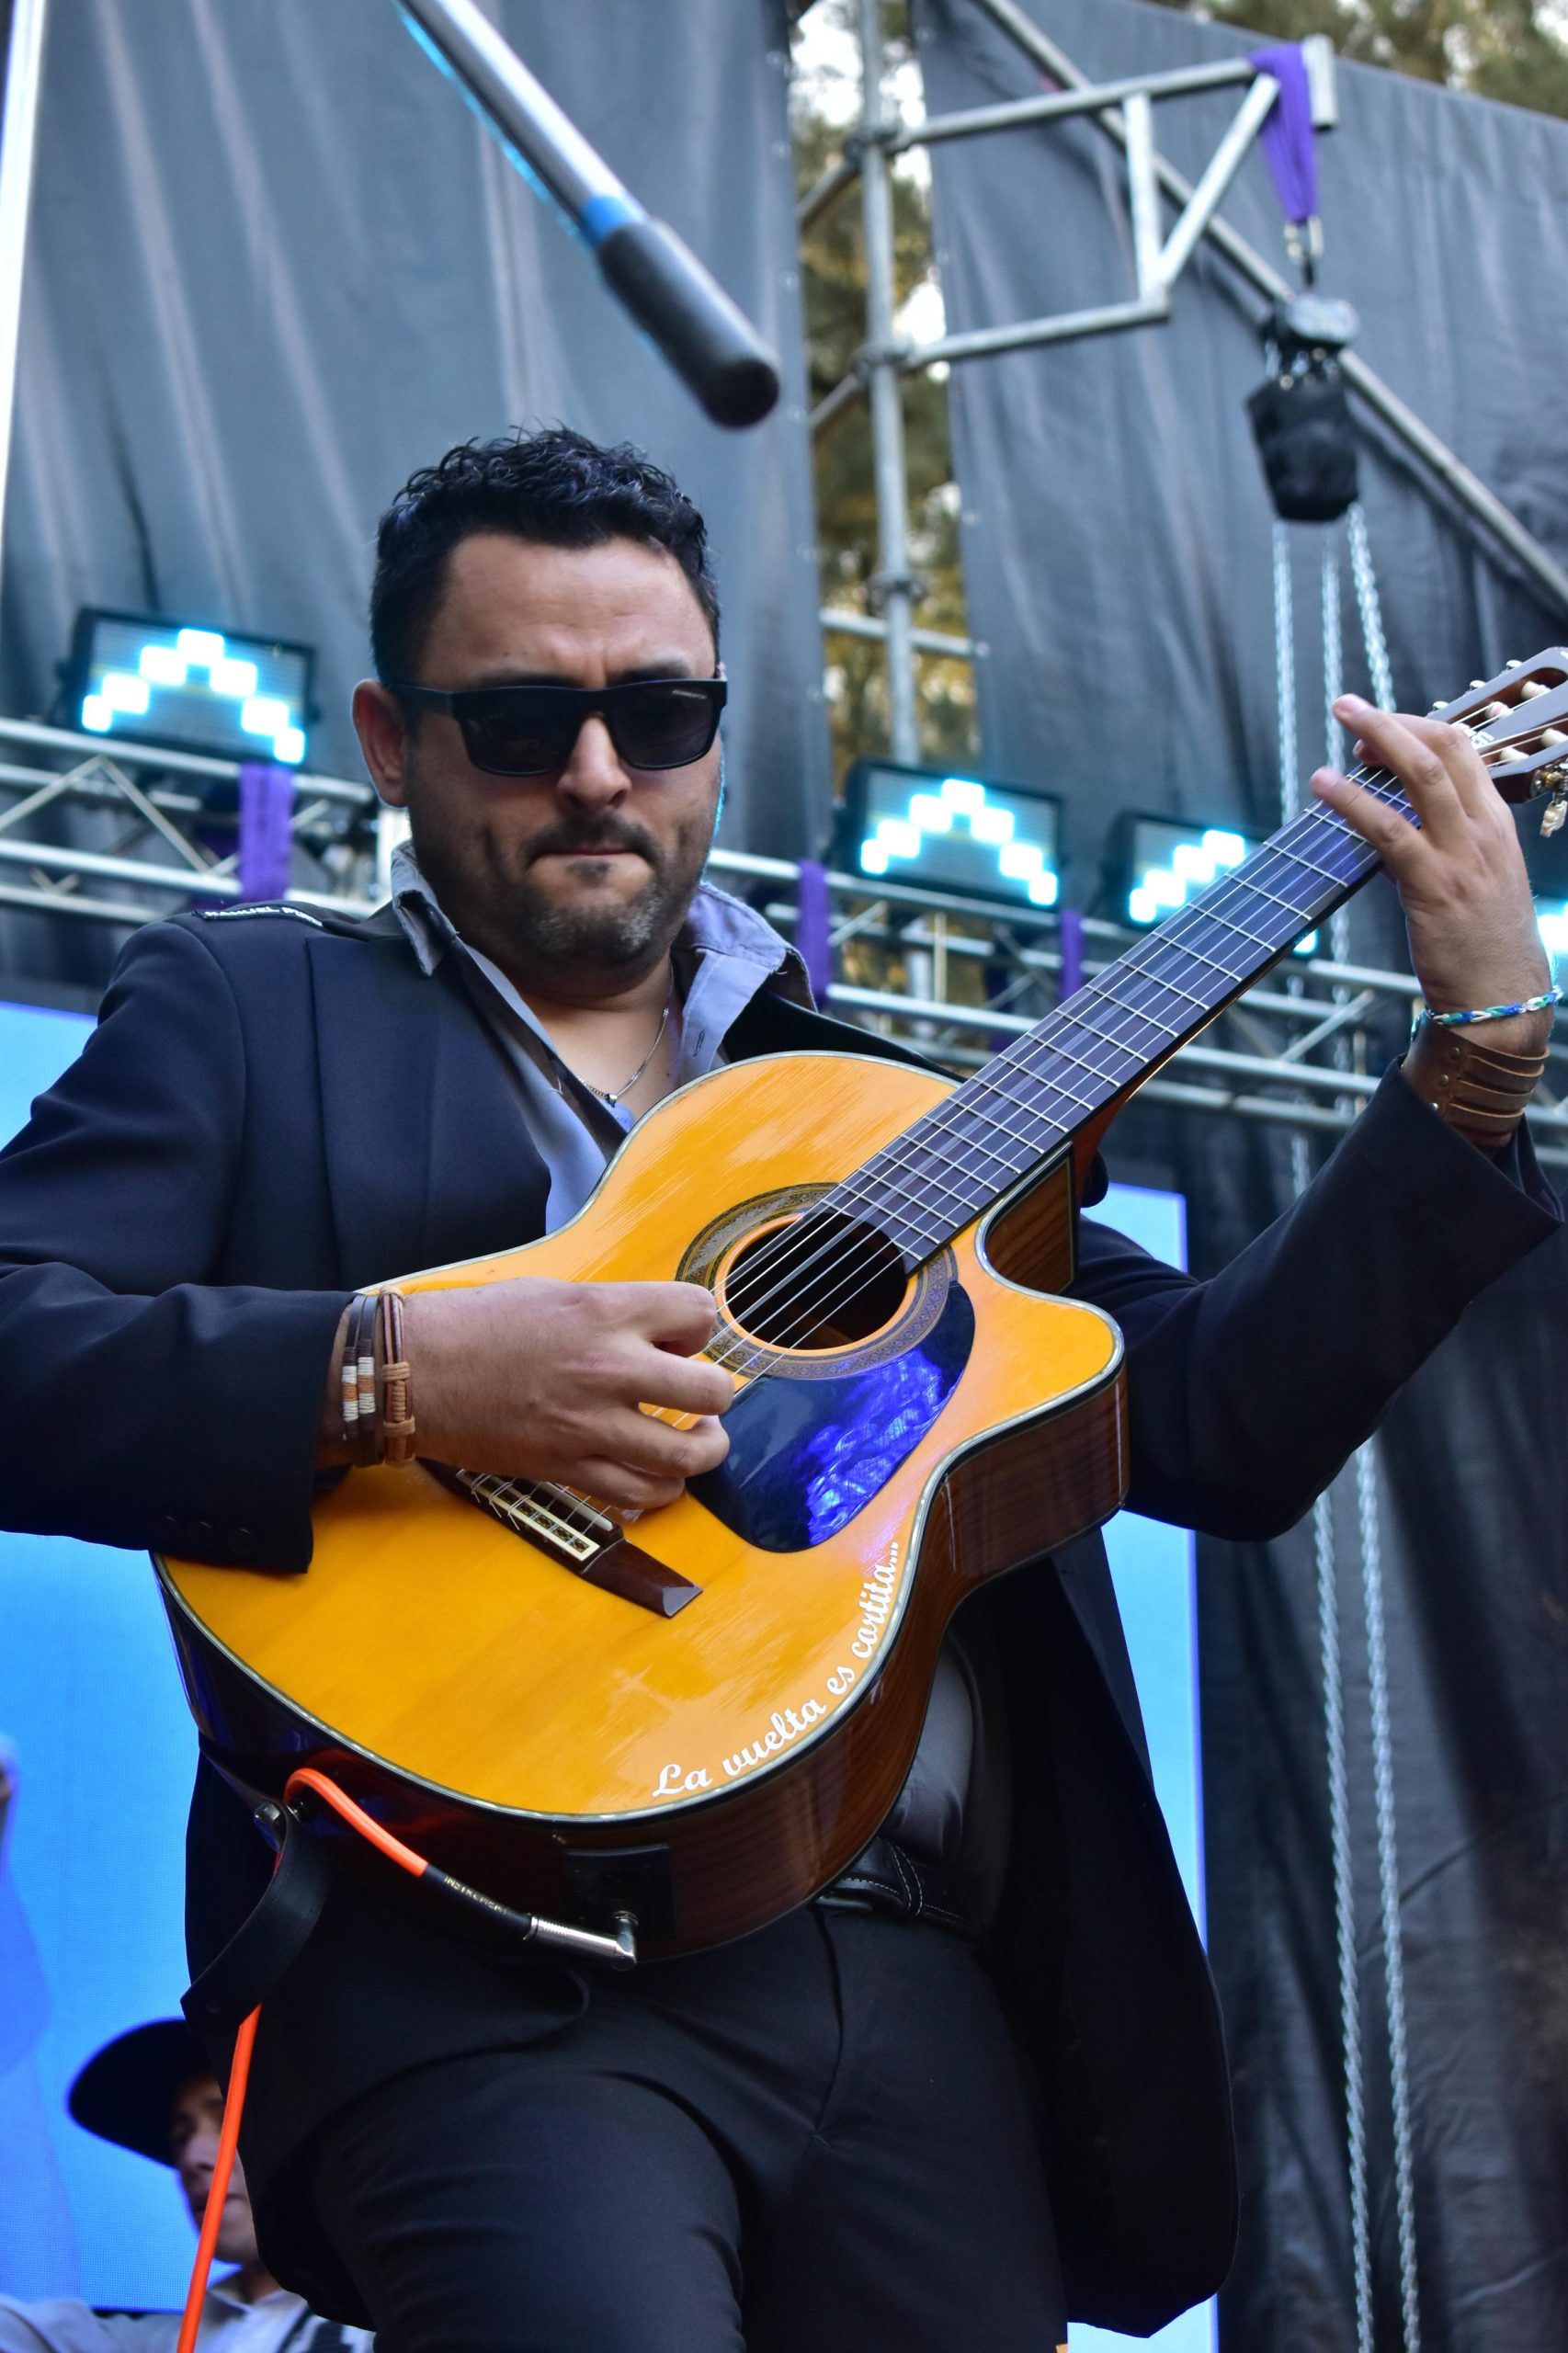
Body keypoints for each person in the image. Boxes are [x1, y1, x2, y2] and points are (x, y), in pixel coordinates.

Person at [0, 426, 1557, 2353]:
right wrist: (397, 1369)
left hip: (915, 1981)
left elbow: (1222, 1422)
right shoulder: (252, 1010)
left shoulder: (890, 1115)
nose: (599, 771)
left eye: (659, 713)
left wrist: (1470, 1069)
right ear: (391, 742)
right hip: (474, 1959)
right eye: (522, 721)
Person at [0, 2020, 370, 2352]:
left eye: (228, 2120)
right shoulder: (159, 2343)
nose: (192, 2157)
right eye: (180, 2137)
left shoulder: (386, 2311)